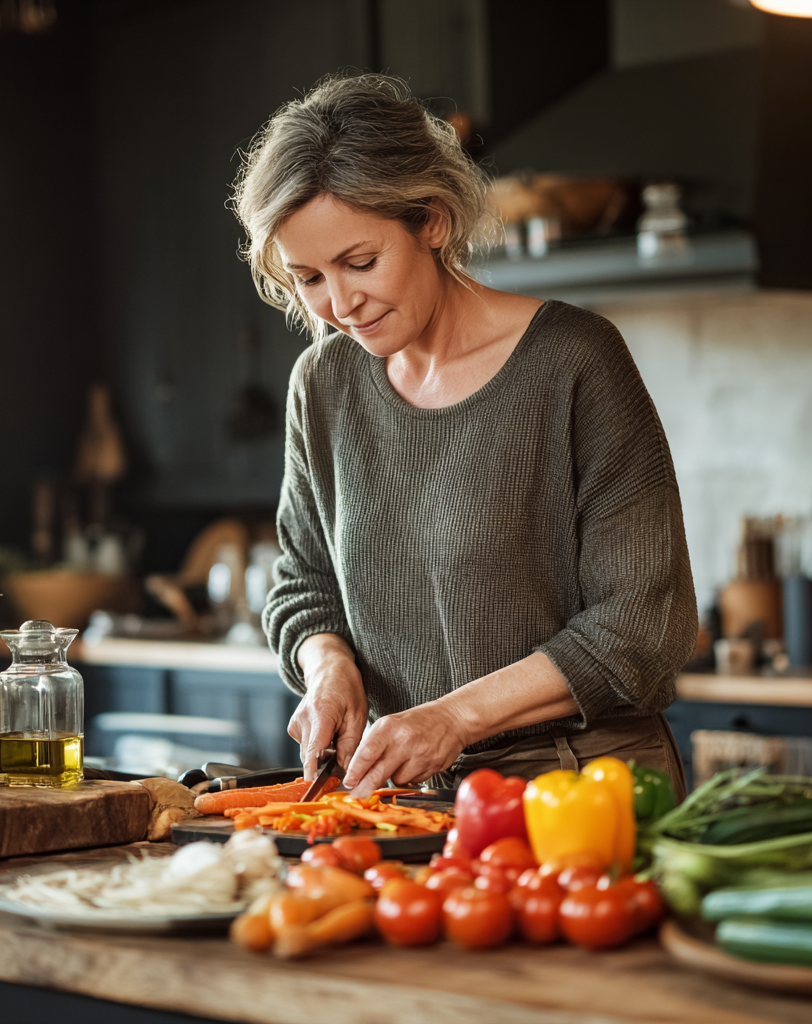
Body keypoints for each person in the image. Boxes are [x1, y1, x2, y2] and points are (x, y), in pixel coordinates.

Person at [235, 74, 697, 799]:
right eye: (308, 278)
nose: (340, 304)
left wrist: (451, 719)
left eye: (361, 263)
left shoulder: (574, 361)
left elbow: (643, 622)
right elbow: (303, 582)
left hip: (581, 790)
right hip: (405, 795)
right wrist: (330, 669)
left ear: (433, 222)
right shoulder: (321, 384)